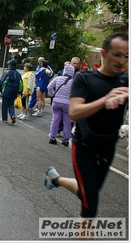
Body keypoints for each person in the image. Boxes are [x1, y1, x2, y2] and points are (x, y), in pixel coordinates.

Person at [44, 33, 128, 227]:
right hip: (85, 147)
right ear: (104, 53)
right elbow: (75, 112)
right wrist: (106, 100)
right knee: (90, 208)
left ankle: (56, 179)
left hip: (108, 148)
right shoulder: (85, 78)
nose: (122, 60)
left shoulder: (125, 80)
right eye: (117, 54)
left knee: (87, 193)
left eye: (126, 56)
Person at [47, 63, 74, 146]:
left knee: (55, 120)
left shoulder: (58, 78)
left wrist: (53, 94)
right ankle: (66, 139)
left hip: (56, 102)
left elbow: (49, 87)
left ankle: (52, 137)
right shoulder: (73, 82)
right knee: (67, 122)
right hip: (67, 104)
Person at [0, 59, 23, 124]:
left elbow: (2, 82)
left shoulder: (6, 72)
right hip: (14, 92)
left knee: (5, 105)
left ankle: (4, 118)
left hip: (6, 91)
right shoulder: (18, 74)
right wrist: (19, 92)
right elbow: (20, 83)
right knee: (11, 104)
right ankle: (12, 115)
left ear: (10, 65)